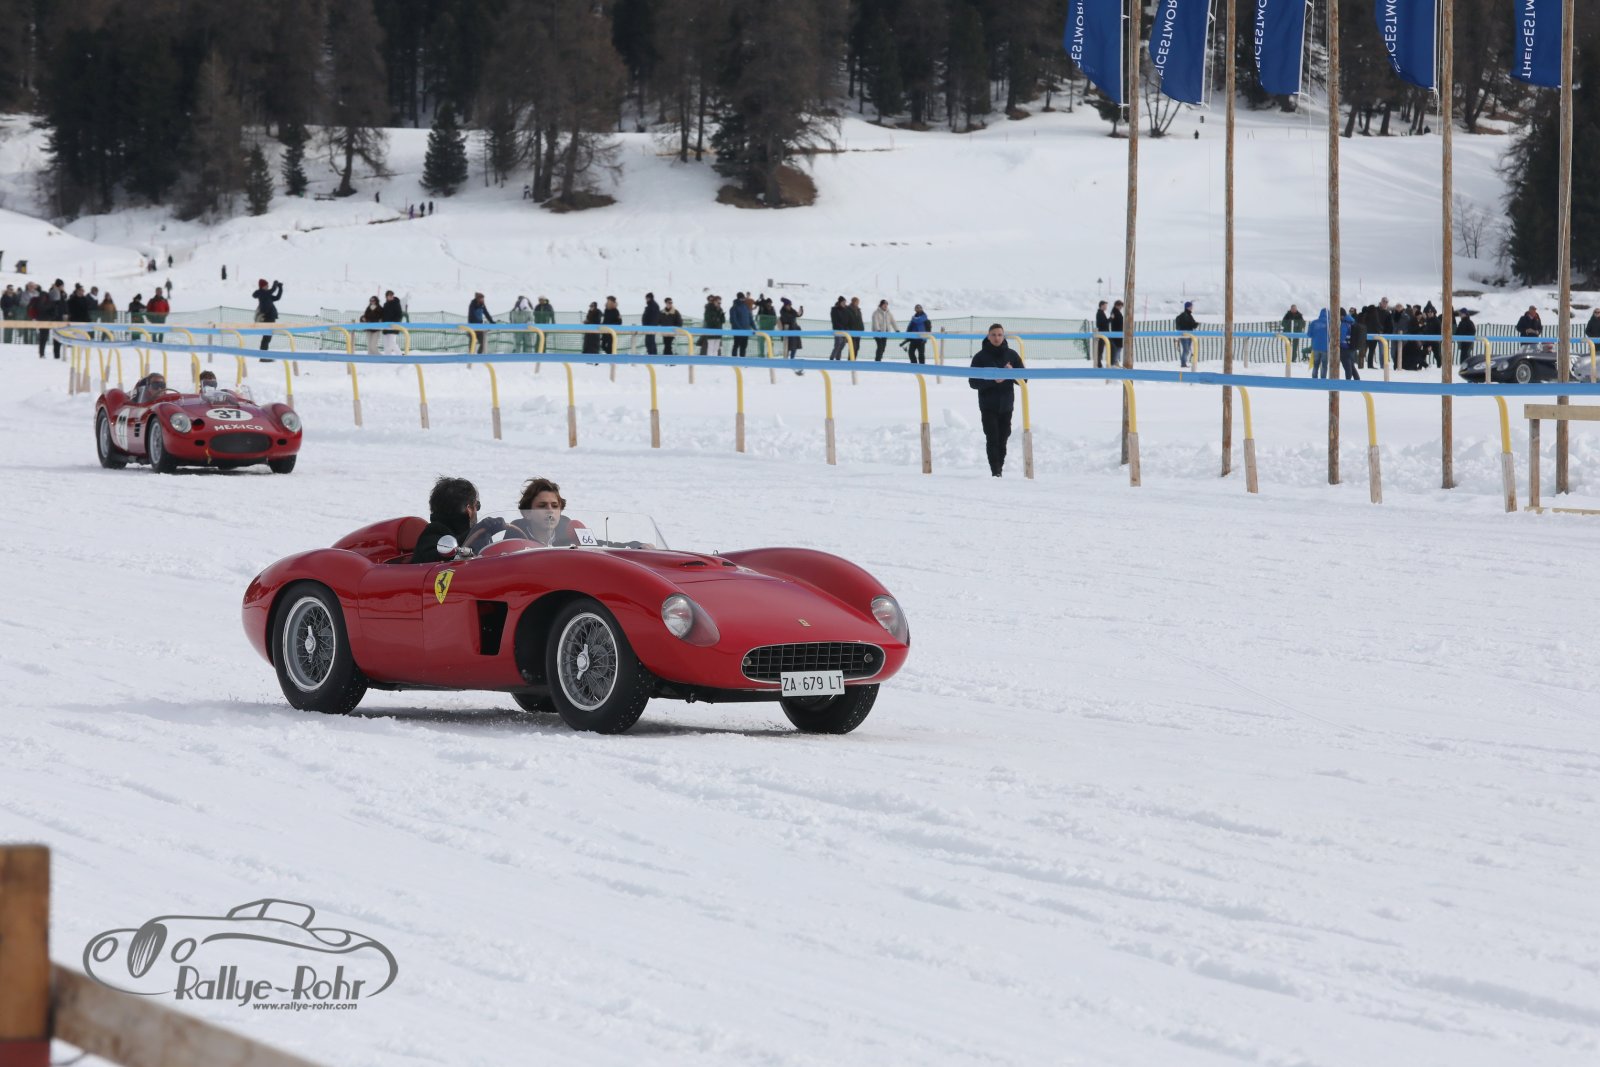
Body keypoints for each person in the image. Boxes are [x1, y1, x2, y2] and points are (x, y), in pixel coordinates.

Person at [970, 323, 1023, 477]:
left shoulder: (1012, 355)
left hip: (1006, 405)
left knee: (1003, 438)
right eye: (993, 335)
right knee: (992, 437)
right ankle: (996, 471)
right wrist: (993, 380)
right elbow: (973, 382)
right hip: (988, 405)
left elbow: (1024, 380)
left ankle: (999, 468)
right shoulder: (980, 357)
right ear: (988, 336)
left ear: (1003, 336)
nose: (996, 338)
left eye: (999, 335)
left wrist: (1012, 373)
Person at [412, 477, 481, 564]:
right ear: (469, 509)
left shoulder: (476, 536)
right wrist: (475, 532)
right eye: (477, 505)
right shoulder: (432, 533)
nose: (476, 510)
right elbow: (432, 559)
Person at [252, 279, 282, 354]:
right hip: (267, 318)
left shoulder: (267, 294)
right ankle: (263, 355)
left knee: (267, 337)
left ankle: (264, 355)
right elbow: (272, 290)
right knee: (266, 337)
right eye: (266, 285)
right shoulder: (262, 293)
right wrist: (275, 284)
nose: (268, 286)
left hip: (271, 318)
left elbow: (277, 297)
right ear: (262, 286)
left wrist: (280, 288)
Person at [779, 297, 804, 371]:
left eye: (790, 305)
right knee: (787, 347)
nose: (790, 306)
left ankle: (792, 361)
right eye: (789, 305)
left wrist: (801, 310)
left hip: (794, 331)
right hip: (787, 332)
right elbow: (789, 318)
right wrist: (796, 314)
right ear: (785, 305)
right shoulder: (782, 311)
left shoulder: (792, 311)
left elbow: (798, 315)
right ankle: (786, 362)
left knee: (794, 347)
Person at [1341, 308, 1364, 380]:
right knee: (1351, 366)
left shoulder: (1344, 324)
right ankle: (1357, 380)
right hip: (1352, 347)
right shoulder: (1352, 321)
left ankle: (1348, 383)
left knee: (1347, 368)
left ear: (1341, 316)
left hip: (1345, 348)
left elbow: (1341, 337)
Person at [728, 291, 753, 357]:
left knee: (744, 346)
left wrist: (755, 328)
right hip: (738, 331)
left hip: (746, 331)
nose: (743, 299)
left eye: (743, 298)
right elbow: (733, 320)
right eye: (742, 298)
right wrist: (740, 329)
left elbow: (750, 318)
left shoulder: (746, 307)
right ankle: (734, 360)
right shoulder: (734, 308)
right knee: (736, 345)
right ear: (738, 298)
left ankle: (742, 360)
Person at [1308, 308, 1330, 379]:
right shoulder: (1330, 323)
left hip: (1316, 347)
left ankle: (1314, 378)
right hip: (1326, 347)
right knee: (1324, 365)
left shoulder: (1314, 322)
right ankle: (1323, 380)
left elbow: (1309, 334)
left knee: (1316, 364)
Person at [1174, 301, 1198, 368]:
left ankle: (1184, 363)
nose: (1192, 308)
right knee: (1186, 350)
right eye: (1191, 306)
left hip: (1189, 335)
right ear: (1187, 307)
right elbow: (1189, 325)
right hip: (1184, 335)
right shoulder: (1184, 315)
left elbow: (1192, 325)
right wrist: (1194, 324)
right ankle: (1183, 364)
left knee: (1187, 350)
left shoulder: (1189, 315)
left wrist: (1195, 324)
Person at [1109, 300, 1126, 366]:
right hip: (1117, 332)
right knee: (1117, 348)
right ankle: (1115, 361)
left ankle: (1116, 361)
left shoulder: (1116, 311)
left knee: (1118, 348)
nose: (1121, 307)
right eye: (1120, 306)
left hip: (1118, 331)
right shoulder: (1114, 312)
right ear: (1117, 305)